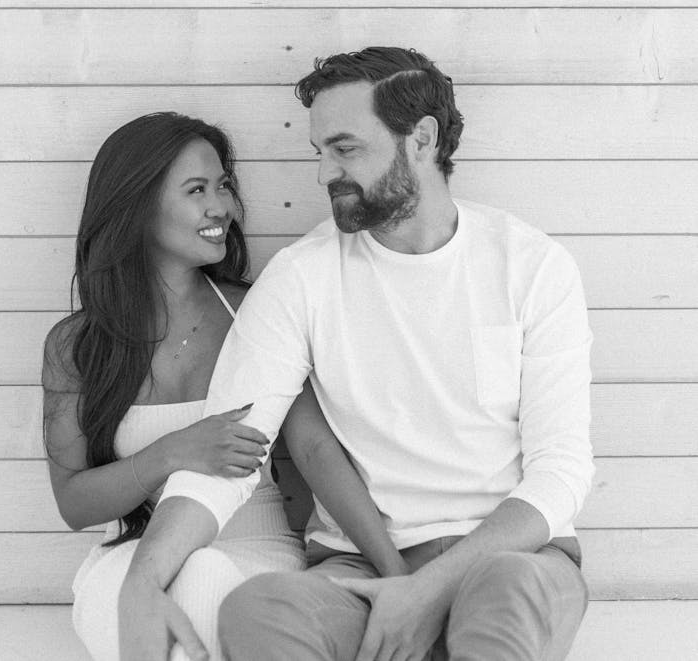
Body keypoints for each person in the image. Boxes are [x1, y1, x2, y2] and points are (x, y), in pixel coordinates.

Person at [119, 50, 595, 661]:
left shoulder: (531, 265)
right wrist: (143, 580)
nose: (324, 174)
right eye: (319, 151)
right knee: (258, 610)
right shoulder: (301, 276)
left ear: (421, 139)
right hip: (357, 568)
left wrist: (426, 592)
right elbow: (230, 451)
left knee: (506, 592)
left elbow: (561, 472)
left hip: (513, 554)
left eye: (345, 149)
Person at [42, 111, 407, 661]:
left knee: (206, 573)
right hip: (136, 555)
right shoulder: (77, 346)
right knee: (145, 588)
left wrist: (396, 571)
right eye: (196, 190)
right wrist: (173, 452)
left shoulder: (254, 311)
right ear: (136, 207)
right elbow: (74, 502)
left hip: (255, 551)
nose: (223, 208)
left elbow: (313, 449)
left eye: (223, 186)